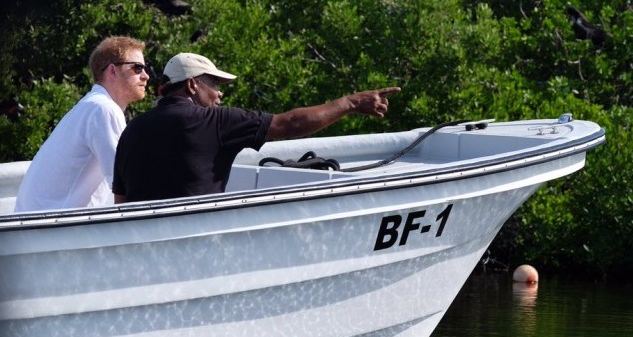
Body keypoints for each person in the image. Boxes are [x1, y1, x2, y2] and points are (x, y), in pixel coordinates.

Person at [113, 52, 400, 203]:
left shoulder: (131, 130)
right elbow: (291, 123)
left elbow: (121, 201)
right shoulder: (215, 122)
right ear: (191, 85)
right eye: (214, 85)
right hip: (194, 247)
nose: (220, 94)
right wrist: (351, 103)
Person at [14, 36, 149, 212]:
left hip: (42, 227)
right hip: (55, 230)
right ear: (112, 71)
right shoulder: (103, 109)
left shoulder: (92, 106)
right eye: (137, 68)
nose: (146, 76)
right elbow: (124, 184)